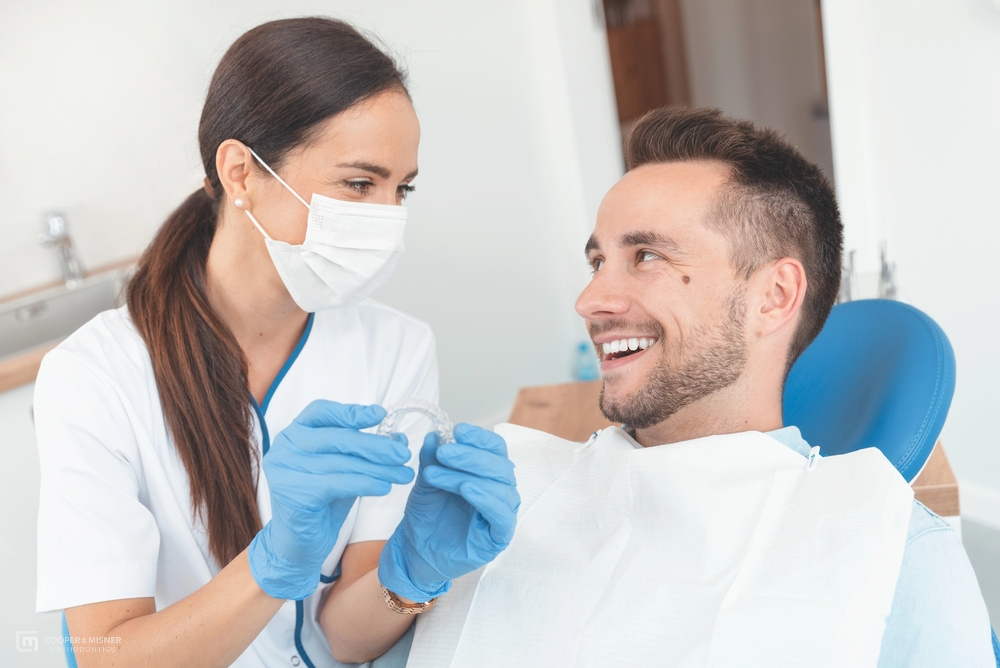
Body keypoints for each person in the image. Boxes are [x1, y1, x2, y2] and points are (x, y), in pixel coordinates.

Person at [406, 107, 995, 667]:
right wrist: (393, 583)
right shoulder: (504, 505)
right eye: (598, 262)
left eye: (646, 256)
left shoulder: (892, 558)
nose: (590, 302)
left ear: (774, 297)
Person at [33, 18, 518, 668]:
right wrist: (270, 563)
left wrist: (409, 576)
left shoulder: (396, 348)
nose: (386, 219)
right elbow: (105, 655)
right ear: (240, 172)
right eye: (357, 184)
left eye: (401, 188)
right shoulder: (95, 377)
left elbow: (345, 639)